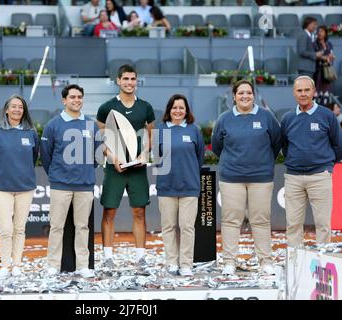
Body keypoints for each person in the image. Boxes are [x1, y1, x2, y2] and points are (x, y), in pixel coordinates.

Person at [212, 80, 281, 275]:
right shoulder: (224, 119)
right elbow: (217, 146)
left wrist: (264, 162)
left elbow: (276, 143)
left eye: (248, 93)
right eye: (241, 93)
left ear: (254, 95)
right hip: (231, 178)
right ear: (234, 96)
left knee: (260, 220)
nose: (245, 96)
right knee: (231, 220)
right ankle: (229, 262)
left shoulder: (266, 117)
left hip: (261, 178)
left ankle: (265, 261)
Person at [96, 64, 155, 269]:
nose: (129, 83)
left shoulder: (145, 107)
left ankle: (140, 257)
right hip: (115, 168)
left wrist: (144, 154)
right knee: (109, 212)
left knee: (139, 212)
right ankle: (108, 258)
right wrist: (113, 158)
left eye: (133, 79)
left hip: (138, 169)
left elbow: (150, 135)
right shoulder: (106, 108)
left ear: (136, 81)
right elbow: (101, 139)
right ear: (118, 81)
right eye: (126, 79)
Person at [40, 84, 101, 278]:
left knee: (82, 227)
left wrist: (86, 171)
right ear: (64, 100)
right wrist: (57, 175)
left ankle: (83, 265)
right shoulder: (53, 125)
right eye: (72, 97)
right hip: (61, 185)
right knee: (56, 226)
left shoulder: (91, 124)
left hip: (84, 185)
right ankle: (52, 265)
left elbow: (98, 154)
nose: (76, 100)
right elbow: (46, 155)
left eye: (79, 97)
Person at [281, 76, 340, 248]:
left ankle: (323, 265)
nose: (303, 93)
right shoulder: (287, 118)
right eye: (299, 90)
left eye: (307, 90)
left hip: (320, 176)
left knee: (323, 225)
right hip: (293, 178)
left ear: (314, 91)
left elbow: (338, 145)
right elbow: (285, 146)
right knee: (293, 225)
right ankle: (295, 263)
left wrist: (326, 166)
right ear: (294, 93)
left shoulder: (327, 116)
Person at [0, 95, 39, 280]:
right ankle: (5, 265)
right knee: (6, 229)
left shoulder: (31, 132)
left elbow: (33, 157)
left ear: (24, 111)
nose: (17, 110)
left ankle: (16, 264)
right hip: (2, 187)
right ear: (6, 109)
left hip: (25, 187)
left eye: (20, 107)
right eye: (13, 107)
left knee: (19, 228)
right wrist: (2, 175)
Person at [153, 94, 204, 276]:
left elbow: (199, 158)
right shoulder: (159, 130)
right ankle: (171, 262)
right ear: (169, 110)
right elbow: (156, 158)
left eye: (181, 108)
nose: (178, 111)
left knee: (187, 227)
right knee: (168, 227)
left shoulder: (194, 130)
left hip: (189, 187)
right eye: (174, 107)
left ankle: (186, 264)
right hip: (166, 187)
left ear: (186, 111)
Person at [313, 26, 336, 106]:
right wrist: (325, 57)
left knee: (326, 93)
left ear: (325, 33)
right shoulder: (315, 44)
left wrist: (331, 57)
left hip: (328, 70)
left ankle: (325, 105)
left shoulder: (329, 44)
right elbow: (316, 56)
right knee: (318, 93)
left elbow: (332, 55)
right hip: (319, 70)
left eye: (322, 31)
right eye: (318, 31)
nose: (319, 33)